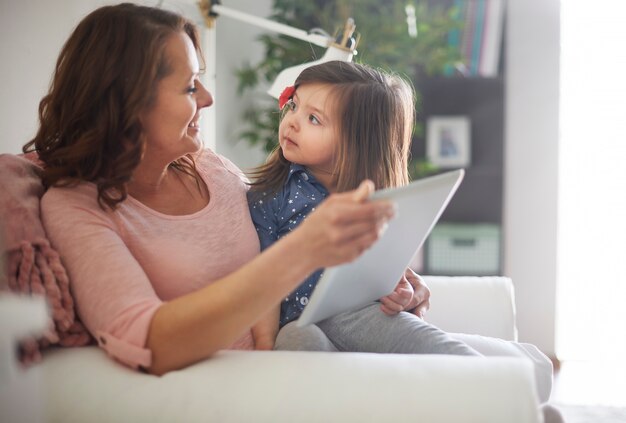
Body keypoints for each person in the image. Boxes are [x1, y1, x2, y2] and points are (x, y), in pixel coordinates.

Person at [23, 3, 395, 376]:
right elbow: (148, 342)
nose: (207, 97)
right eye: (189, 86)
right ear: (126, 103)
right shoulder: (77, 207)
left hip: (289, 375)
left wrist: (381, 275)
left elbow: (293, 230)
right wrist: (300, 251)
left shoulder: (212, 169)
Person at [246, 61, 557, 405]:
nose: (291, 121)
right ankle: (505, 396)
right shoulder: (271, 195)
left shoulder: (372, 201)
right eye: (294, 105)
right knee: (296, 342)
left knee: (434, 347)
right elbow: (264, 280)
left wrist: (402, 291)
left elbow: (385, 271)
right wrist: (264, 352)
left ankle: (509, 398)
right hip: (301, 323)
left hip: (357, 312)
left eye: (313, 118)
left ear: (355, 141)